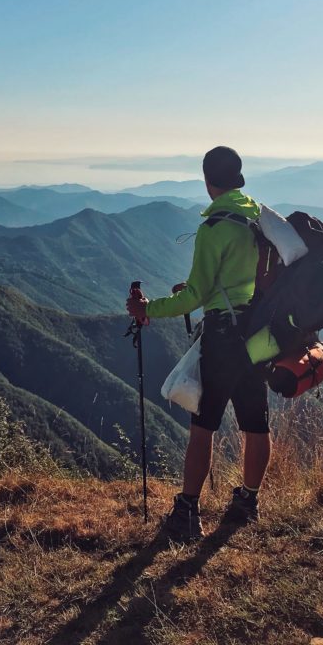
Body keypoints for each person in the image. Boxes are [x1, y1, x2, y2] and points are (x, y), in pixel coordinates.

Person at [125, 146, 270, 542]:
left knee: (203, 426)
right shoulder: (257, 216)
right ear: (237, 178)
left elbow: (194, 297)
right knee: (256, 425)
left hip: (223, 337)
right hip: (258, 335)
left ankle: (188, 513)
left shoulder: (214, 227)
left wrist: (147, 308)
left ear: (208, 181)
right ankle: (248, 502)